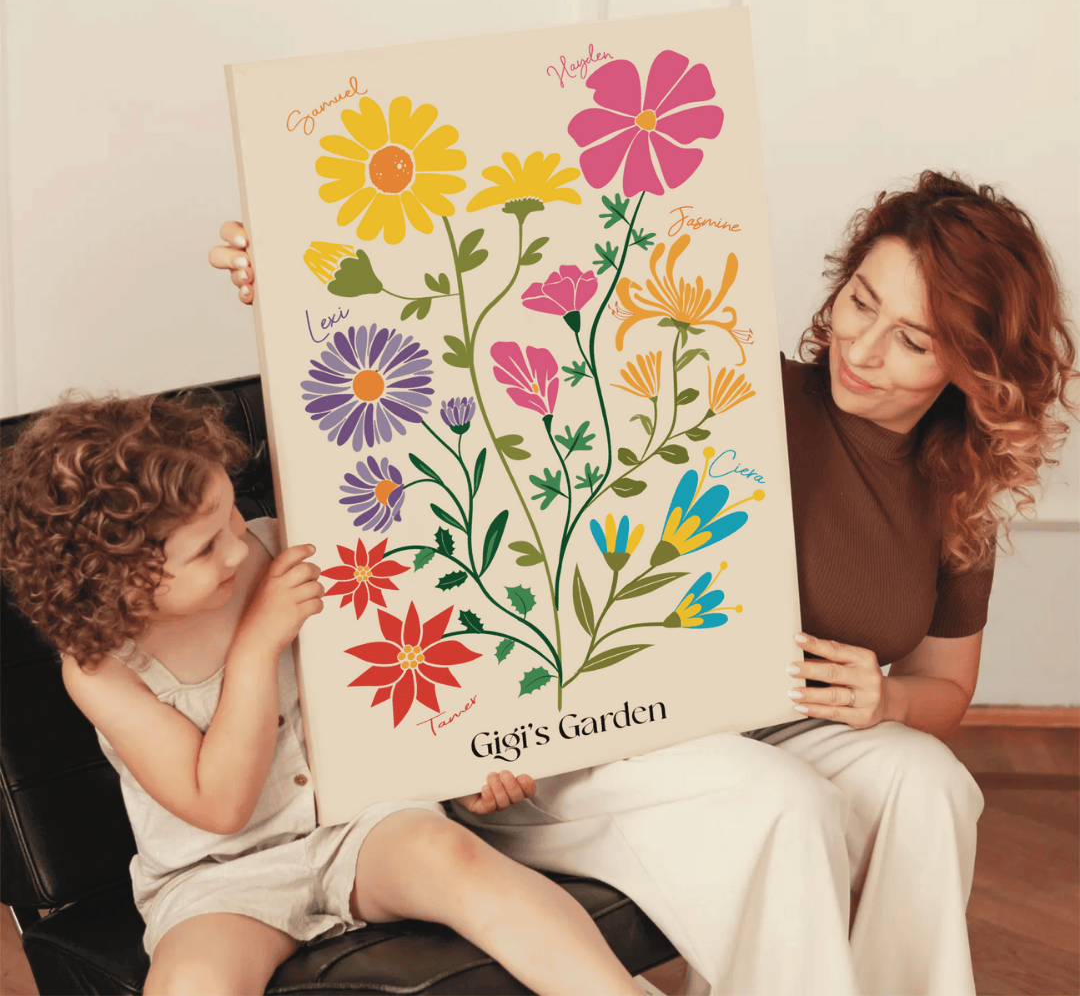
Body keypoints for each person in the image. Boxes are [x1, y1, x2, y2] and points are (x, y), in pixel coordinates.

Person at [209, 169, 1075, 996]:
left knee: (929, 785)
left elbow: (945, 686)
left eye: (912, 340)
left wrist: (886, 704)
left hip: (775, 727)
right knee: (784, 805)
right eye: (860, 301)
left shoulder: (958, 489)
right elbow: (506, 318)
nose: (863, 347)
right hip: (601, 738)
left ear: (973, 368)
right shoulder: (730, 385)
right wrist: (301, 272)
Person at [0, 394, 649, 996]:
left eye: (229, 509)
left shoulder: (281, 549)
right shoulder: (101, 672)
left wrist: (456, 771)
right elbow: (221, 804)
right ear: (118, 582)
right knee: (191, 982)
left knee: (456, 859)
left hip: (360, 823)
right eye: (204, 548)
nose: (237, 546)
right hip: (217, 877)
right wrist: (257, 644)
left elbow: (404, 671)